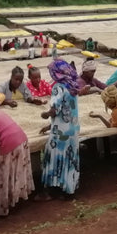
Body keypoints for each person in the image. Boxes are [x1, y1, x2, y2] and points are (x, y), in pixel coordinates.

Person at [38, 60, 81, 198]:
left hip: (61, 132)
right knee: (70, 158)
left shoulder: (58, 87)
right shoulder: (73, 86)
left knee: (52, 157)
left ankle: (50, 191)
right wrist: (50, 125)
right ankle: (69, 189)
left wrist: (45, 115)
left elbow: (55, 109)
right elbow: (68, 111)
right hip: (73, 129)